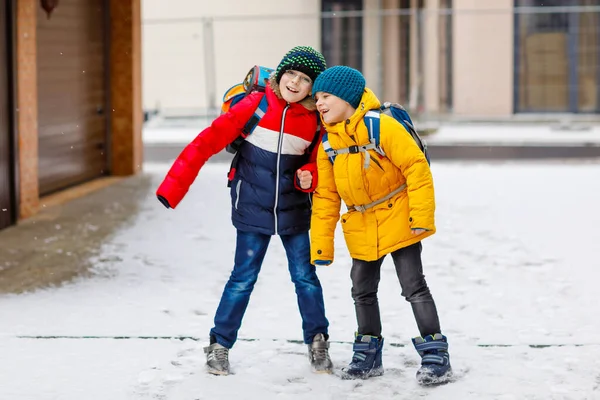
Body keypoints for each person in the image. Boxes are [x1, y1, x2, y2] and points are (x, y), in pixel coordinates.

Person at [156, 46, 333, 376]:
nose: (295, 83)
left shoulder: (314, 120)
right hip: (251, 206)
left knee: (305, 278)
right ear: (280, 75)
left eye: (305, 79)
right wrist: (172, 188)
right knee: (243, 278)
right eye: (291, 74)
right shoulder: (256, 104)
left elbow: (320, 163)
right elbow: (205, 142)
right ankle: (219, 344)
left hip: (293, 210)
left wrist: (310, 176)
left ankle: (318, 340)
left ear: (312, 88)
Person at [309, 66, 452, 384]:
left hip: (399, 216)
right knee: (361, 289)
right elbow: (326, 199)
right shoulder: (329, 145)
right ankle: (368, 353)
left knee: (413, 286)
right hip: (361, 221)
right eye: (317, 97)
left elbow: (416, 167)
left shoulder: (380, 126)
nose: (319, 103)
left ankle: (436, 355)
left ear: (347, 97)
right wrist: (321, 244)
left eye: (326, 96)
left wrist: (420, 217)